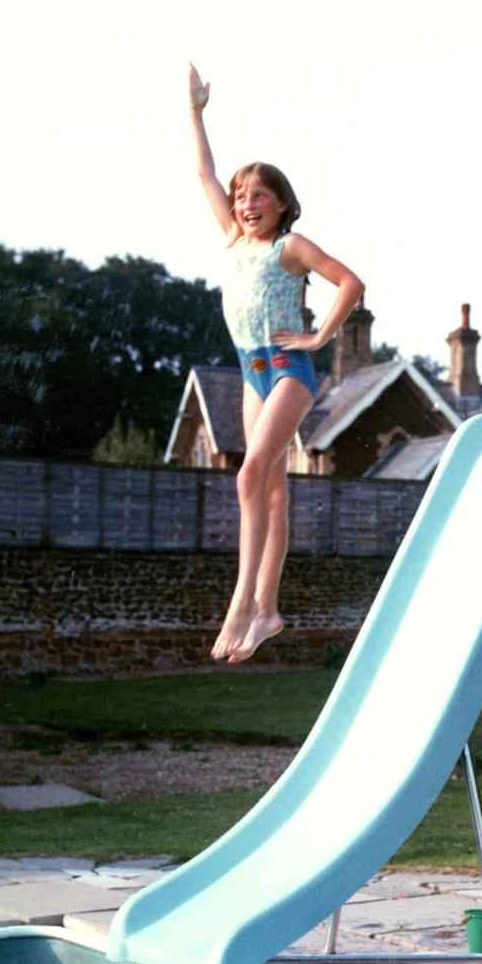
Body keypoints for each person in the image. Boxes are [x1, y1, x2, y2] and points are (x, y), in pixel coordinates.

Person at [188, 63, 365, 665]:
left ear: (282, 204)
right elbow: (204, 172)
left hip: (288, 368)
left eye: (258, 194)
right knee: (273, 492)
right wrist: (195, 111)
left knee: (248, 477)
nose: (245, 202)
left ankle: (241, 603)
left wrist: (318, 340)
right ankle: (267, 608)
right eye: (242, 196)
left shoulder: (291, 247)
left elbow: (350, 282)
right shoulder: (235, 240)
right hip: (249, 369)